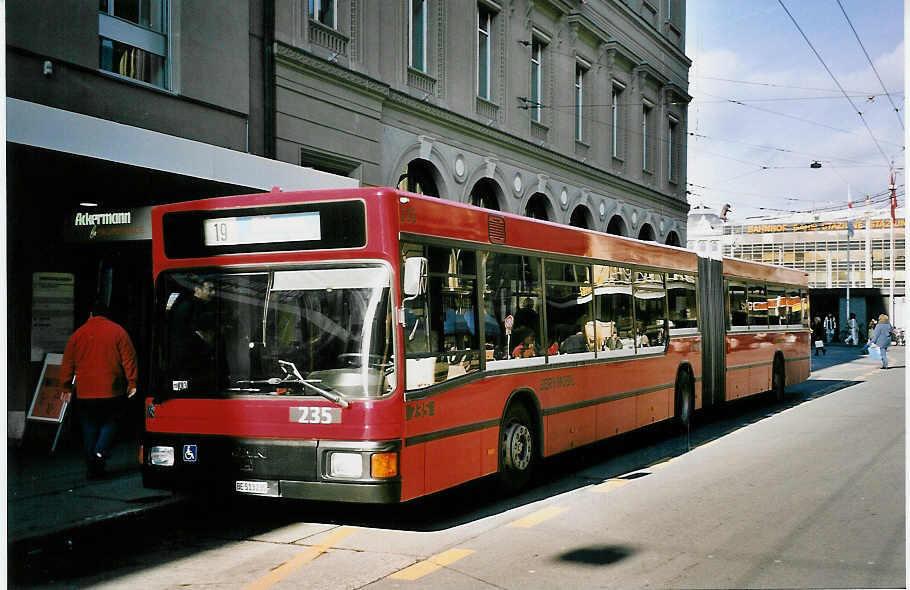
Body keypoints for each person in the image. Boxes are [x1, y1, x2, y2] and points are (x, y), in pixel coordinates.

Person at [60, 301, 138, 478]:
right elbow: (129, 359)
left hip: (85, 391)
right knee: (112, 422)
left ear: (90, 314)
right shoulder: (119, 332)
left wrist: (65, 386)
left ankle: (93, 467)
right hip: (112, 389)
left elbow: (67, 363)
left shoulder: (78, 335)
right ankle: (100, 452)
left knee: (89, 427)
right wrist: (132, 383)